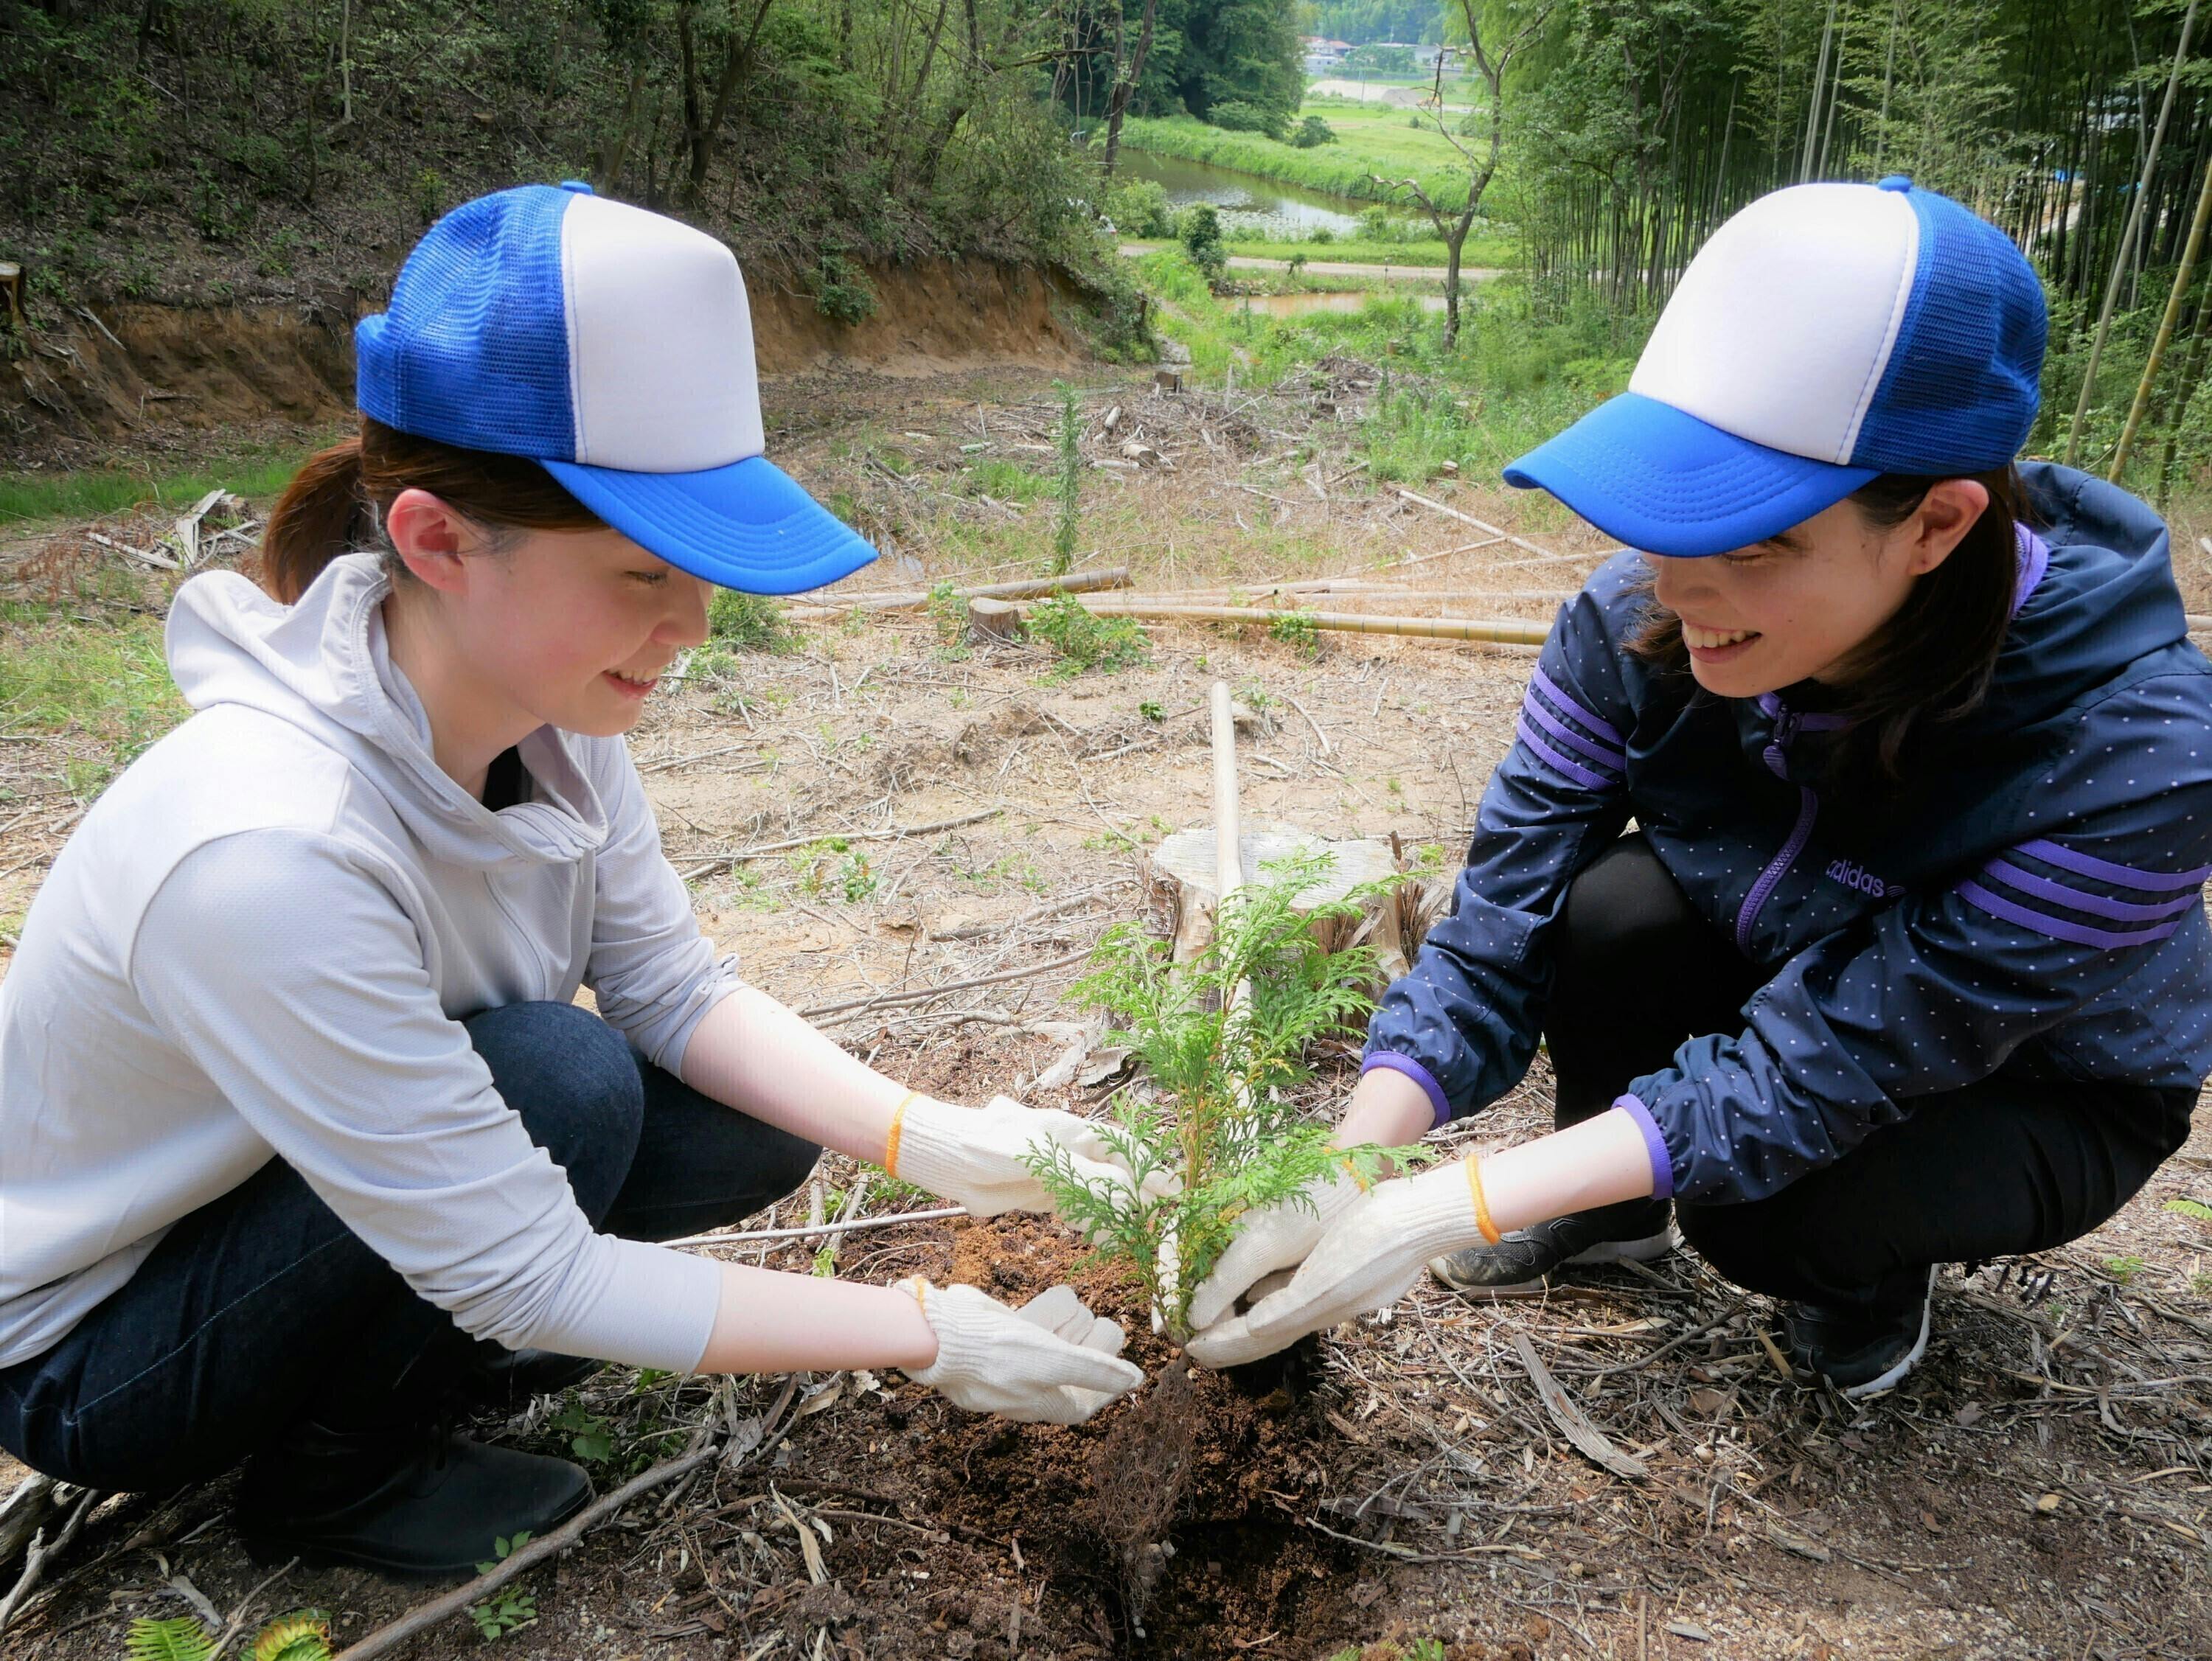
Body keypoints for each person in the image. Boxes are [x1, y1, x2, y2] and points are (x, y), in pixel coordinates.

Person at [0, 182, 1144, 1576]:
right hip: (103, 1337)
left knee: (751, 1128)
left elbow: (671, 984)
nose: (692, 627)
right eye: (643, 571)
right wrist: (926, 1330)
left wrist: (935, 1136)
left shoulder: (548, 707)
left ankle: (398, 1364)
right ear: (432, 540)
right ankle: (332, 1477)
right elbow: (524, 1265)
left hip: (312, 1188)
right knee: (558, 1080)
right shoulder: (267, 849)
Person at [1184, 177, 2211, 1399]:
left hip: (2030, 1073)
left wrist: (1453, 1204)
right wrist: (1354, 1163)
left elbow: (1835, 1057)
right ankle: (1613, 1214)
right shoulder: (1632, 617)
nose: (1674, 590)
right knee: (1606, 911)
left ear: (1938, 523)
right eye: (1669, 510)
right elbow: (1501, 922)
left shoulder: (2132, 756)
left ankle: (1866, 1274)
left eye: (1751, 541)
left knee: (1770, 1208)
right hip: (1785, 948)